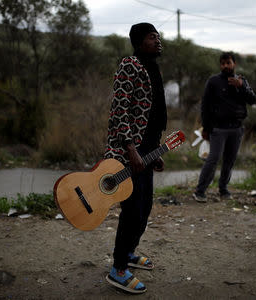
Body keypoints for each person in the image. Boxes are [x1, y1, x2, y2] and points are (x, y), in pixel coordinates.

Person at [103, 22, 167, 294]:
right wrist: (130, 149)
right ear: (140, 41)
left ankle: (128, 252)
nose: (158, 40)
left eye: (158, 36)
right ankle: (117, 269)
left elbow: (150, 114)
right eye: (153, 37)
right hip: (130, 151)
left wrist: (154, 152)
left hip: (147, 150)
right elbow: (120, 110)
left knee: (145, 208)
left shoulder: (151, 66)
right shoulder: (130, 65)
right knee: (132, 210)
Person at [193, 52, 256, 203]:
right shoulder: (213, 81)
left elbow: (252, 99)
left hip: (236, 128)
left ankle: (223, 189)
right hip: (218, 129)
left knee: (229, 160)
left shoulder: (242, 81)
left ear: (234, 64)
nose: (225, 66)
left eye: (228, 63)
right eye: (222, 63)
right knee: (213, 159)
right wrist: (206, 129)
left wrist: (241, 87)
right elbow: (205, 106)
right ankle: (200, 191)